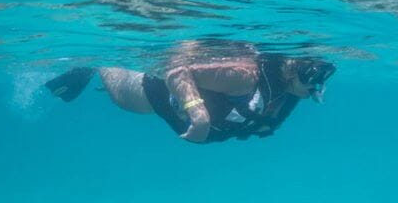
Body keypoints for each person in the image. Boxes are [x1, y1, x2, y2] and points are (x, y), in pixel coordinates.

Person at [45, 48, 335, 143]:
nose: (318, 86)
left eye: (323, 78)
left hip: (181, 116)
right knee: (121, 91)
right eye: (314, 77)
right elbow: (176, 72)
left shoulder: (292, 92)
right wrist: (199, 115)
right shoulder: (246, 76)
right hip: (153, 94)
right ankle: (96, 63)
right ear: (292, 69)